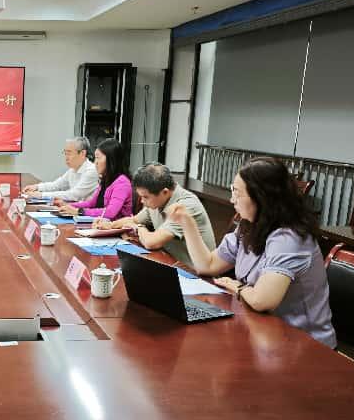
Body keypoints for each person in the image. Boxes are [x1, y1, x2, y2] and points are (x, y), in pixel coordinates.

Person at [168, 156, 336, 348]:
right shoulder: (249, 226)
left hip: (305, 345)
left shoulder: (289, 238)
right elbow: (208, 265)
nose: (232, 199)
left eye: (237, 193)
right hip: (262, 333)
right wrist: (187, 223)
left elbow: (263, 300)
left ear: (262, 198)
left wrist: (238, 287)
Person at [94, 162, 215, 267]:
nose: (142, 201)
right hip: (170, 263)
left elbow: (152, 242)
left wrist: (139, 228)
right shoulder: (156, 202)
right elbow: (134, 220)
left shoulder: (185, 207)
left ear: (164, 192)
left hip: (195, 273)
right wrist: (110, 225)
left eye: (145, 197)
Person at [54, 138, 133, 220]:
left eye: (98, 158)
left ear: (111, 160)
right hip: (101, 224)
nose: (95, 162)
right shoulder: (106, 179)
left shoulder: (122, 183)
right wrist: (68, 205)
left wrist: (79, 211)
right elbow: (92, 203)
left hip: (117, 226)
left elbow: (110, 212)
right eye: (95, 158)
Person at [22, 137, 99, 201]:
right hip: (75, 208)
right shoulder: (72, 170)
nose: (66, 157)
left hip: (86, 212)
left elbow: (74, 195)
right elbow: (56, 185)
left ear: (82, 153)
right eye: (65, 153)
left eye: (69, 153)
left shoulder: (91, 171)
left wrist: (41, 195)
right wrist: (36, 187)